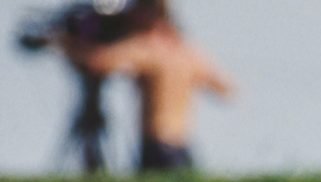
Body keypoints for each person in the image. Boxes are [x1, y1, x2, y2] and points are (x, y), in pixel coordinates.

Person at [60, 0, 233, 172]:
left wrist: (68, 44)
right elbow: (227, 90)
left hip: (157, 146)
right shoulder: (188, 52)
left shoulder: (148, 48)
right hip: (183, 145)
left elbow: (97, 63)